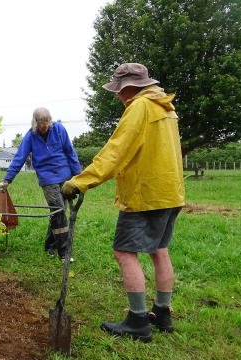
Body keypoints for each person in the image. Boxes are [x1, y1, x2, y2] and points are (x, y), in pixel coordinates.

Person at [61, 63, 185, 342]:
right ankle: (162, 313)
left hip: (145, 195)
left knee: (124, 252)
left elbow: (115, 152)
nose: (118, 96)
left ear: (128, 88)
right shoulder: (166, 107)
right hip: (170, 192)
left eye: (118, 91)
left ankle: (138, 321)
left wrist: (80, 182)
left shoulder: (139, 107)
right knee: (159, 249)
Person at [0, 107, 81, 260]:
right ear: (35, 122)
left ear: (51, 121)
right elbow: (19, 158)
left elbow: (70, 151)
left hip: (65, 175)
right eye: (41, 123)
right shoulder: (30, 136)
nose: (44, 127)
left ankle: (50, 246)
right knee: (58, 211)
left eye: (47, 123)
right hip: (47, 177)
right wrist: (7, 179)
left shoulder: (59, 129)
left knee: (58, 212)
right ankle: (64, 252)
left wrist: (78, 176)